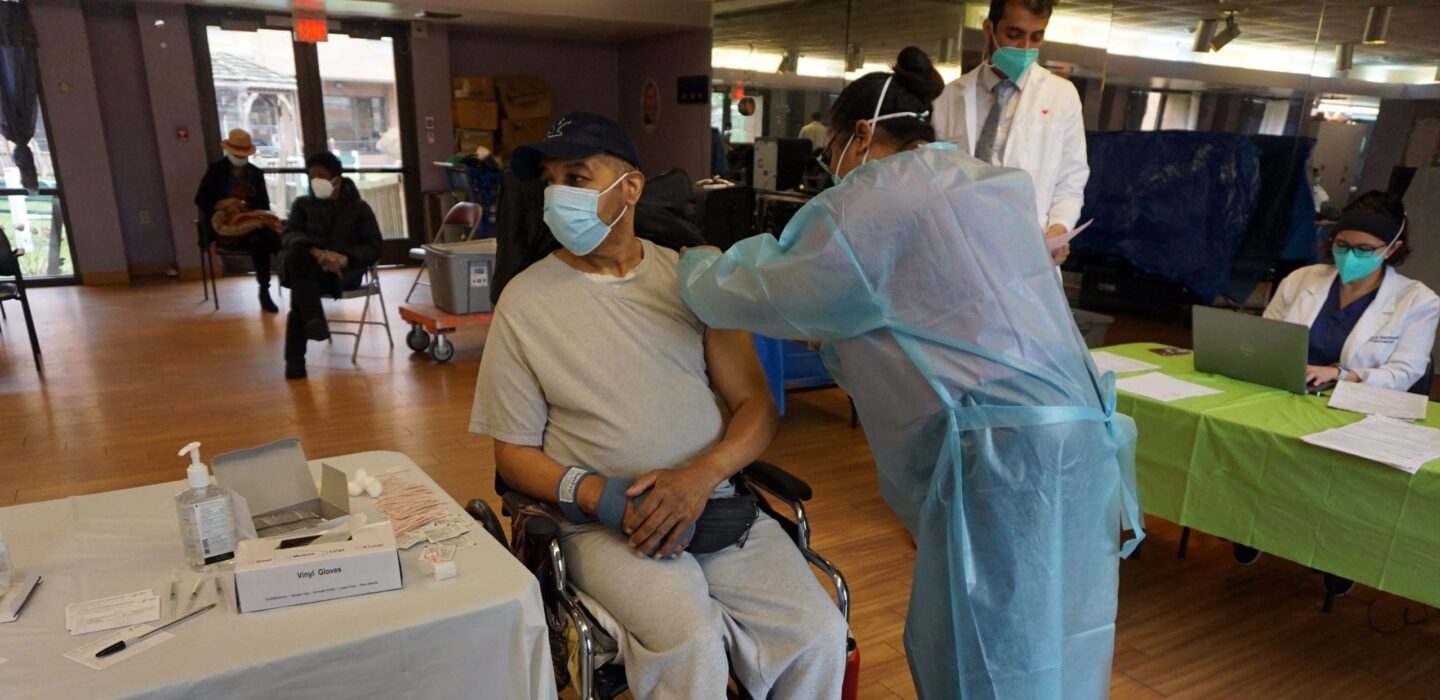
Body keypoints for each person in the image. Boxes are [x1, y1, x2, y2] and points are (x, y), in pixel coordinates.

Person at [678, 47, 1141, 700]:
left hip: (1004, 455)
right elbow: (931, 316)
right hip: (1080, 433)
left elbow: (759, 291)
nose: (831, 161)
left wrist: (695, 265)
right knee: (1063, 627)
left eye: (833, 144)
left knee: (985, 635)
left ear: (860, 134)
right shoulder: (988, 182)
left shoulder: (868, 204)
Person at [468, 112, 847, 699]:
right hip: (602, 524)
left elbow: (754, 404)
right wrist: (600, 495)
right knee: (689, 638)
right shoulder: (525, 302)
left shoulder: (693, 280)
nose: (557, 195)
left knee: (818, 632)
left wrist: (700, 478)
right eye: (550, 180)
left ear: (632, 187)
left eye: (577, 176)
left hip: (714, 502)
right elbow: (512, 454)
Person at [932, 0, 1086, 265]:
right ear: (988, 28)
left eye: (1036, 37)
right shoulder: (949, 97)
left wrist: (1059, 229)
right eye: (1013, 35)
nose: (1025, 48)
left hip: (1027, 254)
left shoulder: (1062, 97)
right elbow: (932, 176)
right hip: (959, 251)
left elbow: (1071, 180)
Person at [1265, 191, 1437, 393]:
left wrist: (1341, 374)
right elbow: (1264, 341)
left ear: (1391, 249)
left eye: (1364, 249)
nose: (1349, 256)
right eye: (1342, 245)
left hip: (1359, 403)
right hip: (1285, 389)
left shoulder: (1418, 301)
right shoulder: (1300, 279)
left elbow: (1404, 373)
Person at [279, 151, 383, 380]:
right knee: (298, 256)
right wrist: (316, 252)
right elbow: (288, 234)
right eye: (311, 176)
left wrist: (345, 258)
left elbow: (374, 245)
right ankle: (315, 320)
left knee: (300, 293)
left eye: (321, 176)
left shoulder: (359, 208)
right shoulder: (303, 205)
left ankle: (296, 360)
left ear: (336, 178)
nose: (315, 181)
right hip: (310, 266)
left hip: (343, 272)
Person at [194, 128, 282, 312]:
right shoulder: (216, 171)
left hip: (250, 223)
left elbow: (263, 203)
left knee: (262, 239)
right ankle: (269, 287)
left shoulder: (255, 173)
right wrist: (222, 204)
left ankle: (265, 289)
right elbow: (201, 199)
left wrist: (244, 206)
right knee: (263, 239)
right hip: (224, 227)